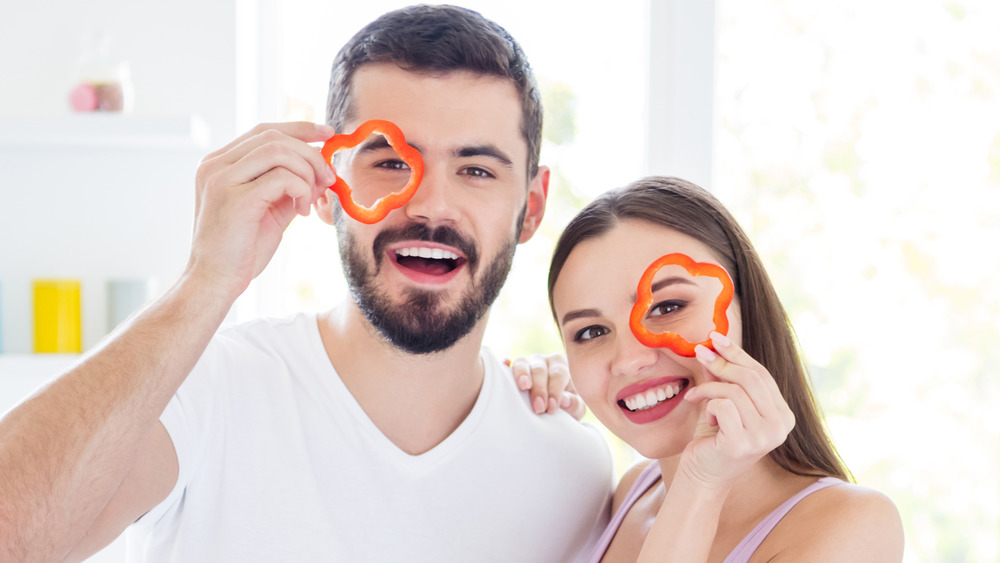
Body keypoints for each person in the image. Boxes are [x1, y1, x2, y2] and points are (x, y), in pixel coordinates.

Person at [0, 6, 613, 562]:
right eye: (392, 162)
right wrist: (206, 280)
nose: (431, 206)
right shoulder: (204, 392)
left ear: (531, 208)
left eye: (476, 169)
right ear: (325, 185)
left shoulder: (572, 468)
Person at [546, 176, 904, 562]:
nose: (630, 359)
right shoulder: (635, 490)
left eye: (668, 307)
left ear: (746, 308)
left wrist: (701, 483)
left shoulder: (854, 525)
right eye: (591, 332)